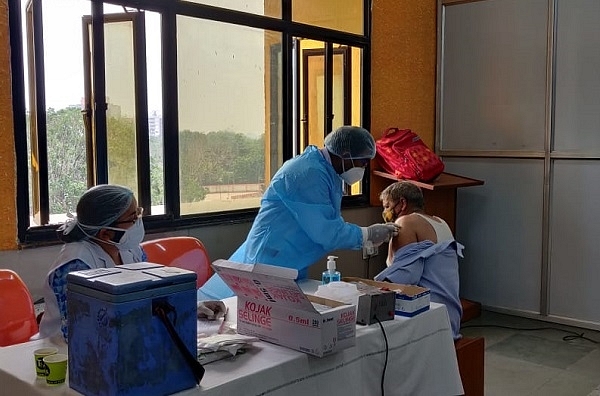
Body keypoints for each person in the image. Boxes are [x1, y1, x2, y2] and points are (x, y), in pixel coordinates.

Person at [198, 125, 399, 300]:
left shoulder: (328, 173)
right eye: (363, 162)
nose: (363, 168)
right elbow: (327, 231)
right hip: (271, 260)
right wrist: (367, 235)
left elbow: (328, 221)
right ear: (345, 155)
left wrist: (366, 236)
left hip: (290, 260)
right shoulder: (307, 173)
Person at [38, 184, 146, 342]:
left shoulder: (132, 250)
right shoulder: (75, 265)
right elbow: (80, 327)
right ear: (106, 233)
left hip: (120, 339)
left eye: (138, 214)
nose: (138, 222)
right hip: (66, 350)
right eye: (132, 218)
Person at [375, 181, 463, 340]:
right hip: (450, 316)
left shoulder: (405, 222)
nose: (385, 212)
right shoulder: (440, 221)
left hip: (428, 318)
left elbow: (401, 278)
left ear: (402, 203)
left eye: (387, 206)